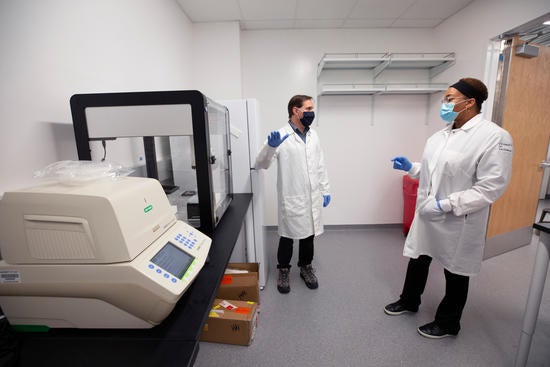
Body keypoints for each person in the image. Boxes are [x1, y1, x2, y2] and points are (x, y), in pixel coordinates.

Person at [385, 77, 513, 338]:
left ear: (470, 103)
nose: (444, 103)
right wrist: (412, 167)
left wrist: (445, 205)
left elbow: (491, 187)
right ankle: (410, 300)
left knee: (456, 270)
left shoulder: (494, 137)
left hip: (458, 218)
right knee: (419, 256)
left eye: (449, 98)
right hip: (429, 212)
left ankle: (448, 322)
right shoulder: (440, 135)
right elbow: (437, 172)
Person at [255, 95, 331, 294]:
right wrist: (270, 146)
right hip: (292, 196)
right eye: (308, 108)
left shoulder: (314, 136)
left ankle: (305, 267)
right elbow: (262, 163)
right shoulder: (281, 135)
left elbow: (320, 164)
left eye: (312, 108)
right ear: (295, 111)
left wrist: (325, 189)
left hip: (312, 195)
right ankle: (283, 270)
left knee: (309, 235)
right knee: (287, 236)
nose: (311, 113)